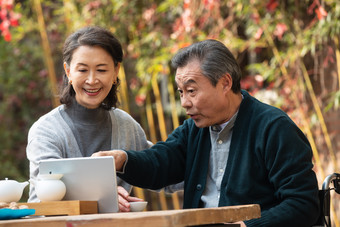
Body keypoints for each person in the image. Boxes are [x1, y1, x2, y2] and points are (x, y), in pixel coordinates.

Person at [93, 39, 320, 226]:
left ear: (225, 83)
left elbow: (302, 203)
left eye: (191, 91)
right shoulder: (194, 129)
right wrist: (122, 159)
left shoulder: (273, 128)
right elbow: (162, 161)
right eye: (181, 92)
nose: (184, 102)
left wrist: (246, 226)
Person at [26, 26, 148, 212]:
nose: (92, 80)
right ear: (68, 72)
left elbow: (160, 168)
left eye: (101, 70)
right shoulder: (46, 130)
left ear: (116, 72)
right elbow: (46, 195)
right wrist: (102, 196)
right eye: (82, 70)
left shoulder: (127, 126)